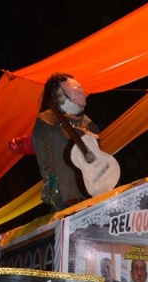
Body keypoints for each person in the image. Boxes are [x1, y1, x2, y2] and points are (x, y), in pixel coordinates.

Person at [33, 72, 101, 211]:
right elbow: (45, 160)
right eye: (73, 89)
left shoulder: (90, 125)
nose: (80, 91)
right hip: (66, 199)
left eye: (79, 88)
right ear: (56, 95)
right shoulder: (47, 120)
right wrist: (55, 192)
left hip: (93, 196)